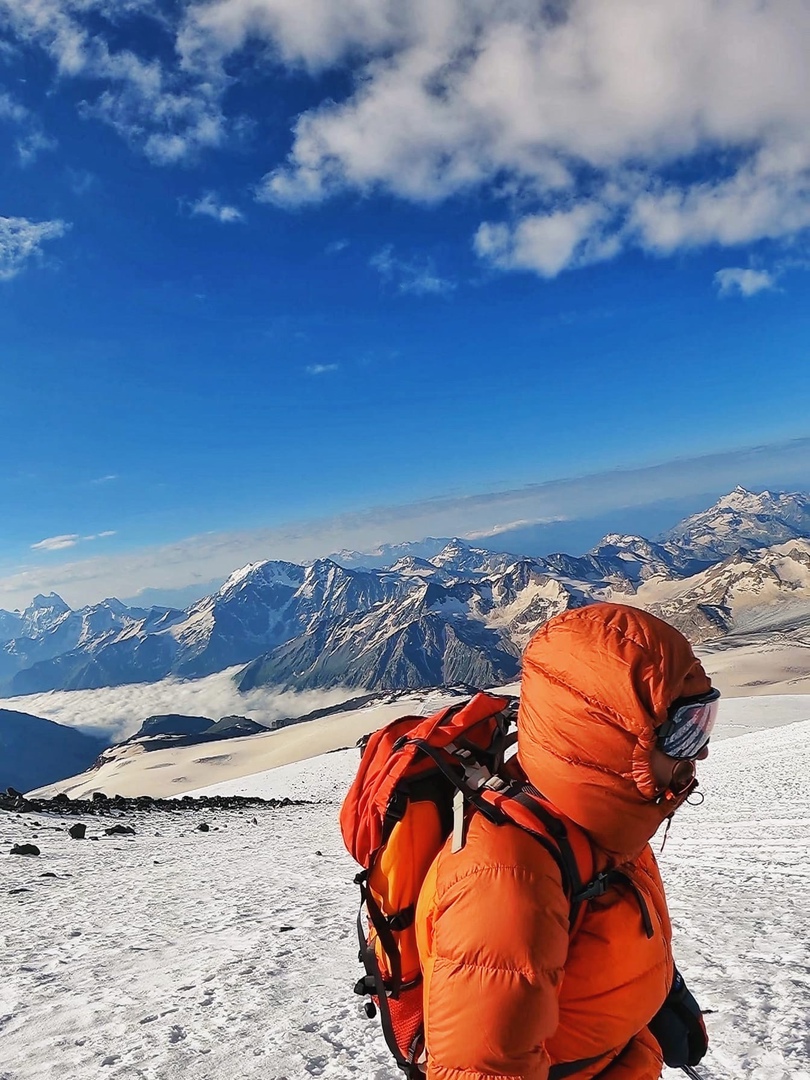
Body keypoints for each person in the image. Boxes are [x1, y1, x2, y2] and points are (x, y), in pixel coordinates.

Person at [414, 602, 716, 1080]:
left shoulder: (605, 823)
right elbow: (482, 1069)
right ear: (614, 736)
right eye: (682, 731)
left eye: (705, 719)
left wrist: (659, 994)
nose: (701, 748)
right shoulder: (505, 878)